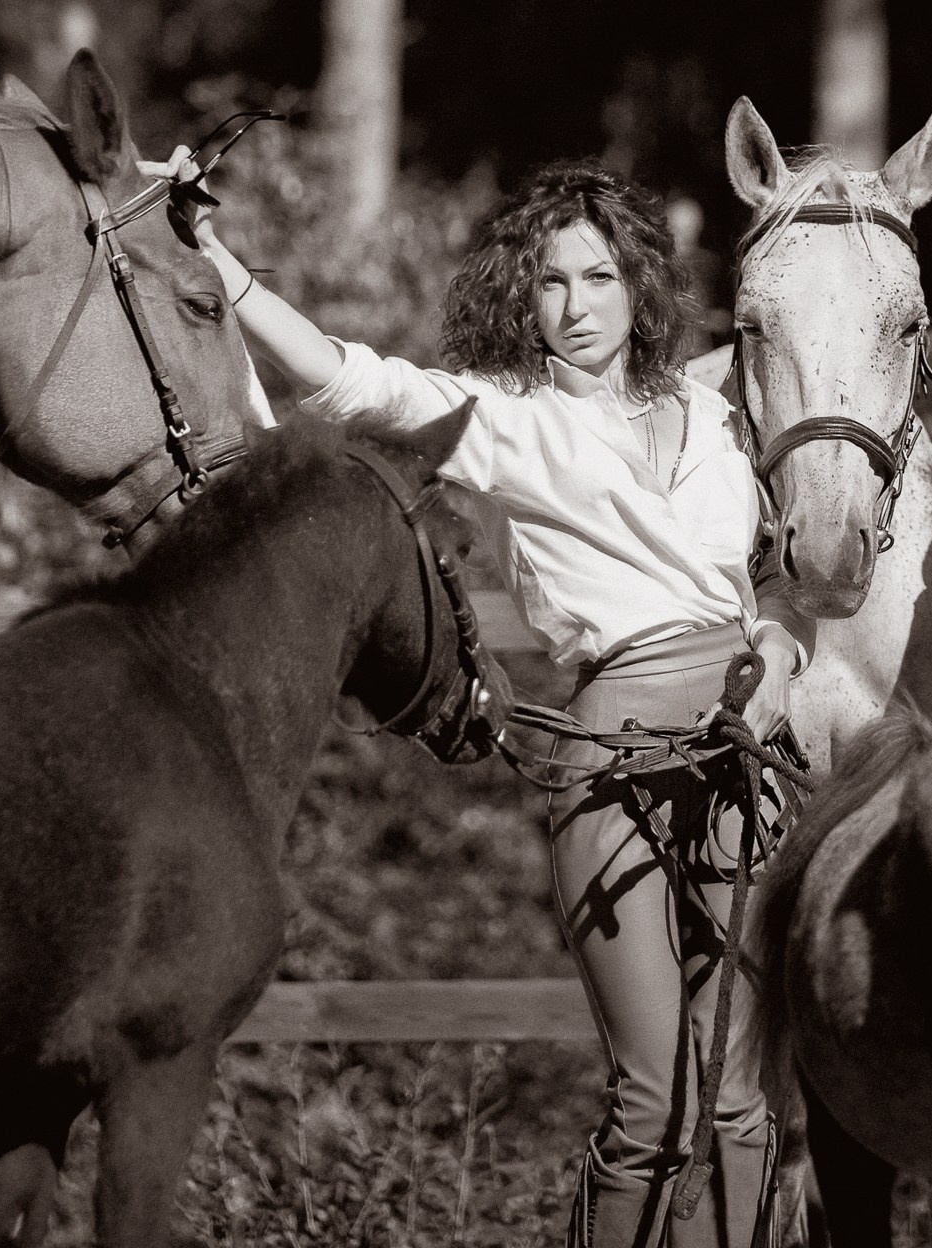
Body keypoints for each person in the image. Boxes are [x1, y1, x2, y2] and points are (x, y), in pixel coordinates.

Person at [161, 153, 811, 1248]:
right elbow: (347, 379)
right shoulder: (499, 418)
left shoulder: (716, 417)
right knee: (654, 1095)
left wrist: (782, 655)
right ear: (526, 296)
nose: (576, 306)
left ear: (638, 285)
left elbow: (775, 585)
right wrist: (215, 259)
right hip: (617, 748)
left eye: (598, 278)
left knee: (742, 1097)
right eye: (552, 283)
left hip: (746, 737)